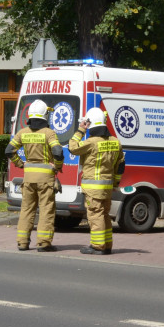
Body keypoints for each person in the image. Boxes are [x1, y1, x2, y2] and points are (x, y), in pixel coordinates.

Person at [5, 99, 63, 251]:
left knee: (27, 210)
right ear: (45, 115)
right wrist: (57, 166)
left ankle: (22, 242)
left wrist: (20, 164)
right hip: (45, 180)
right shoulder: (49, 133)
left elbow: (8, 150)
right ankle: (43, 243)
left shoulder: (22, 133)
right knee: (46, 210)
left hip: (28, 179)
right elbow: (57, 151)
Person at [68, 107, 125, 255]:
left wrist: (80, 130)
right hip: (107, 187)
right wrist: (115, 184)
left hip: (93, 188)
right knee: (104, 215)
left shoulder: (91, 142)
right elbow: (121, 165)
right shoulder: (115, 142)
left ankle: (98, 245)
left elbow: (72, 148)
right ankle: (107, 245)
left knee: (95, 215)